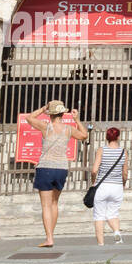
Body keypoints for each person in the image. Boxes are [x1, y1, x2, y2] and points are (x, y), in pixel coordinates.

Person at [24, 100, 89, 248]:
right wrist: (77, 120)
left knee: (45, 205)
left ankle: (49, 238)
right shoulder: (69, 128)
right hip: (61, 168)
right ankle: (51, 235)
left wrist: (42, 109)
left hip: (46, 167)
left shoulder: (46, 126)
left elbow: (29, 118)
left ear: (51, 114)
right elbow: (84, 135)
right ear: (62, 113)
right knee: (54, 203)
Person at [89, 126, 128, 246]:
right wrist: (123, 184)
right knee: (113, 213)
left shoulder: (102, 150)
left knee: (99, 216)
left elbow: (94, 170)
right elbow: (125, 173)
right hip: (117, 187)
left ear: (107, 137)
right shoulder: (123, 152)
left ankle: (101, 244)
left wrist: (93, 182)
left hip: (102, 186)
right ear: (118, 137)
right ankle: (117, 233)